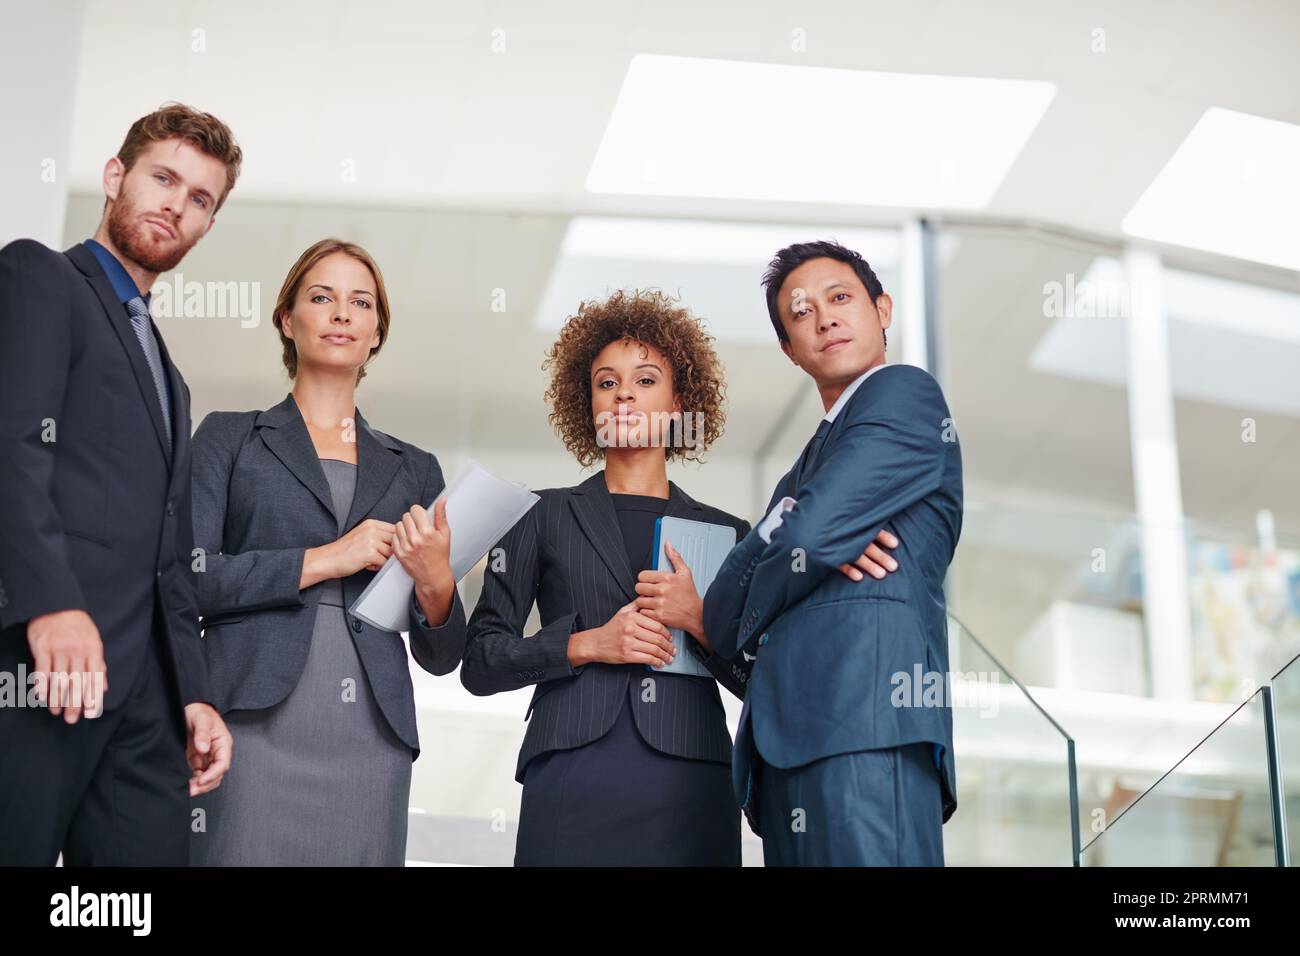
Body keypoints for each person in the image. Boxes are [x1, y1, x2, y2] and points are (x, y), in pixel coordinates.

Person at [461, 290, 901, 866]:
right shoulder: (537, 516)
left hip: (690, 783)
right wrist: (586, 644)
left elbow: (763, 680)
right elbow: (480, 662)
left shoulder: (730, 534)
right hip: (570, 779)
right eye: (606, 382)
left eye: (645, 381)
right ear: (586, 402)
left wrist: (698, 619)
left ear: (678, 402)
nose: (623, 395)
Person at [0, 103, 240, 865]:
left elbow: (169, 554)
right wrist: (49, 603)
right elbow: (11, 445)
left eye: (200, 197)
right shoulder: (40, 276)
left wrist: (193, 691)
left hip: (146, 702)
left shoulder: (170, 379)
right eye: (163, 177)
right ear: (115, 177)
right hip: (43, 666)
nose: (176, 202)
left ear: (206, 225)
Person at [187, 239, 467, 866]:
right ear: (288, 320)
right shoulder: (229, 438)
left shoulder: (416, 469)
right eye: (322, 297)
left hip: (371, 737)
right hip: (250, 725)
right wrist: (327, 557)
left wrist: (434, 585)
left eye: (360, 303)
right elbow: (191, 580)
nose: (342, 313)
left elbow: (444, 653)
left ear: (376, 333)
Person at [703, 240, 964, 866]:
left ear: (884, 309)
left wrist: (806, 535)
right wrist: (805, 530)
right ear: (791, 350)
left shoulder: (903, 395)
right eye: (801, 312)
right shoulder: (807, 467)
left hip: (868, 730)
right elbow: (716, 614)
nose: (825, 318)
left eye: (840, 298)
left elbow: (808, 538)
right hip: (788, 755)